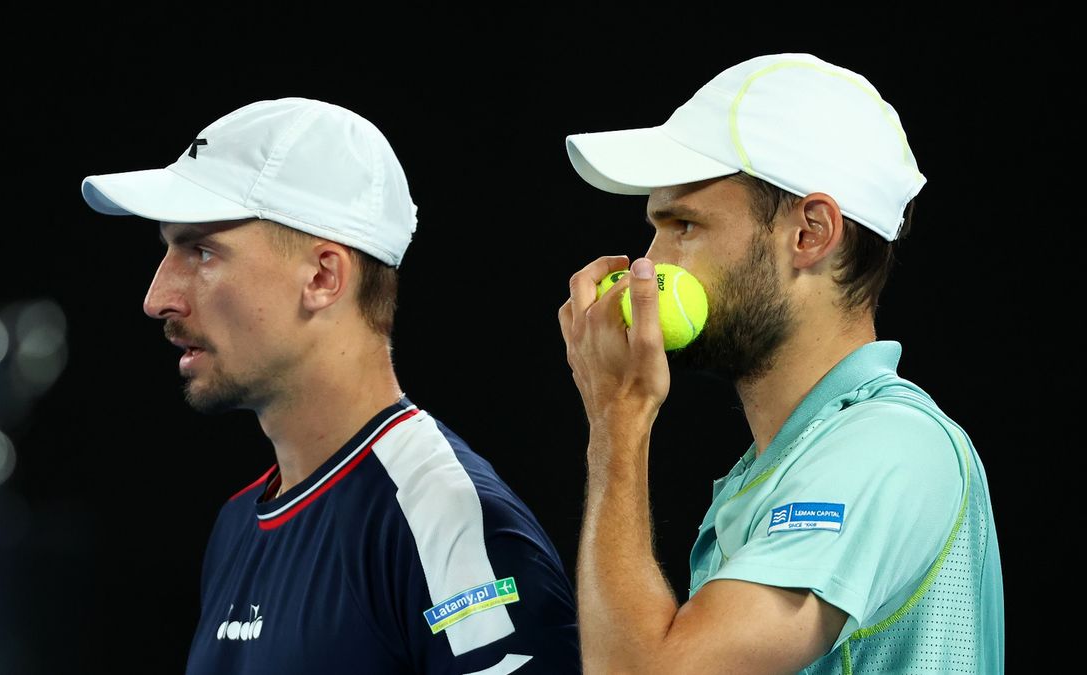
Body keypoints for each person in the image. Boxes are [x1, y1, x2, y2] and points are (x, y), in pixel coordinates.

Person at [81, 97, 580, 674]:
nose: (156, 297)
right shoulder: (238, 524)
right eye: (168, 249)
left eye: (201, 250)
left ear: (323, 277)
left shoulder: (445, 517)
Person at [557, 53, 1003, 673]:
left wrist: (618, 415)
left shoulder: (889, 448)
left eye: (683, 224)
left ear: (810, 234)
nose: (648, 266)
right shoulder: (780, 467)